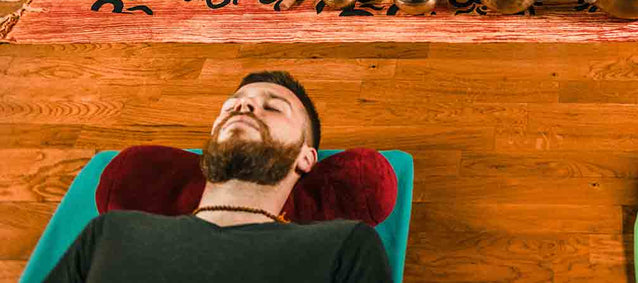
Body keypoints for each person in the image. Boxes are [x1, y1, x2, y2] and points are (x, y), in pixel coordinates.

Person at [46, 71, 392, 283]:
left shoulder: (344, 246)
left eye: (272, 107)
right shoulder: (111, 231)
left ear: (306, 158)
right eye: (232, 105)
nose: (243, 106)